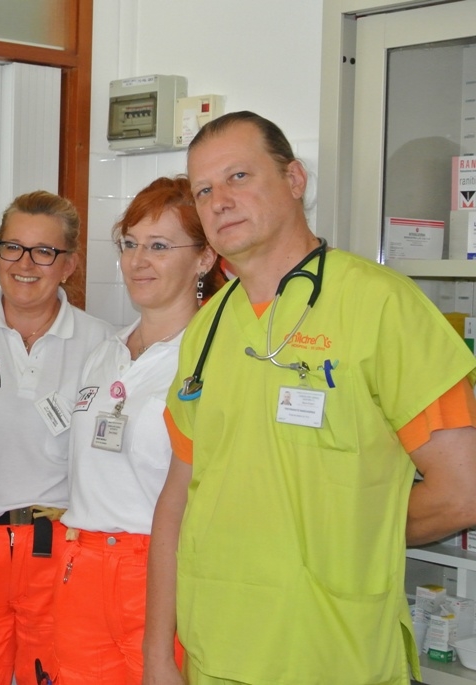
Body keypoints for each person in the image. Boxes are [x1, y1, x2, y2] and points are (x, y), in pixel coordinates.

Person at [142, 111, 476, 685]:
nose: (219, 200)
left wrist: (350, 530)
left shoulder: (382, 308)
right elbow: (178, 501)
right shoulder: (207, 330)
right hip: (214, 653)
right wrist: (156, 657)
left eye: (239, 177)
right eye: (203, 189)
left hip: (334, 655)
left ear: (294, 179)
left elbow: (463, 492)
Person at [0, 190, 114, 685]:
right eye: (12, 247)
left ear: (69, 264)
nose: (25, 264)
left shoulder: (105, 345)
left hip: (61, 553)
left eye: (44, 251)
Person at [52, 177, 222, 685]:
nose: (137, 261)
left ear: (205, 259)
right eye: (130, 244)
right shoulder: (106, 350)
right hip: (80, 566)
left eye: (159, 246)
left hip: (163, 574)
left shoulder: (212, 356)